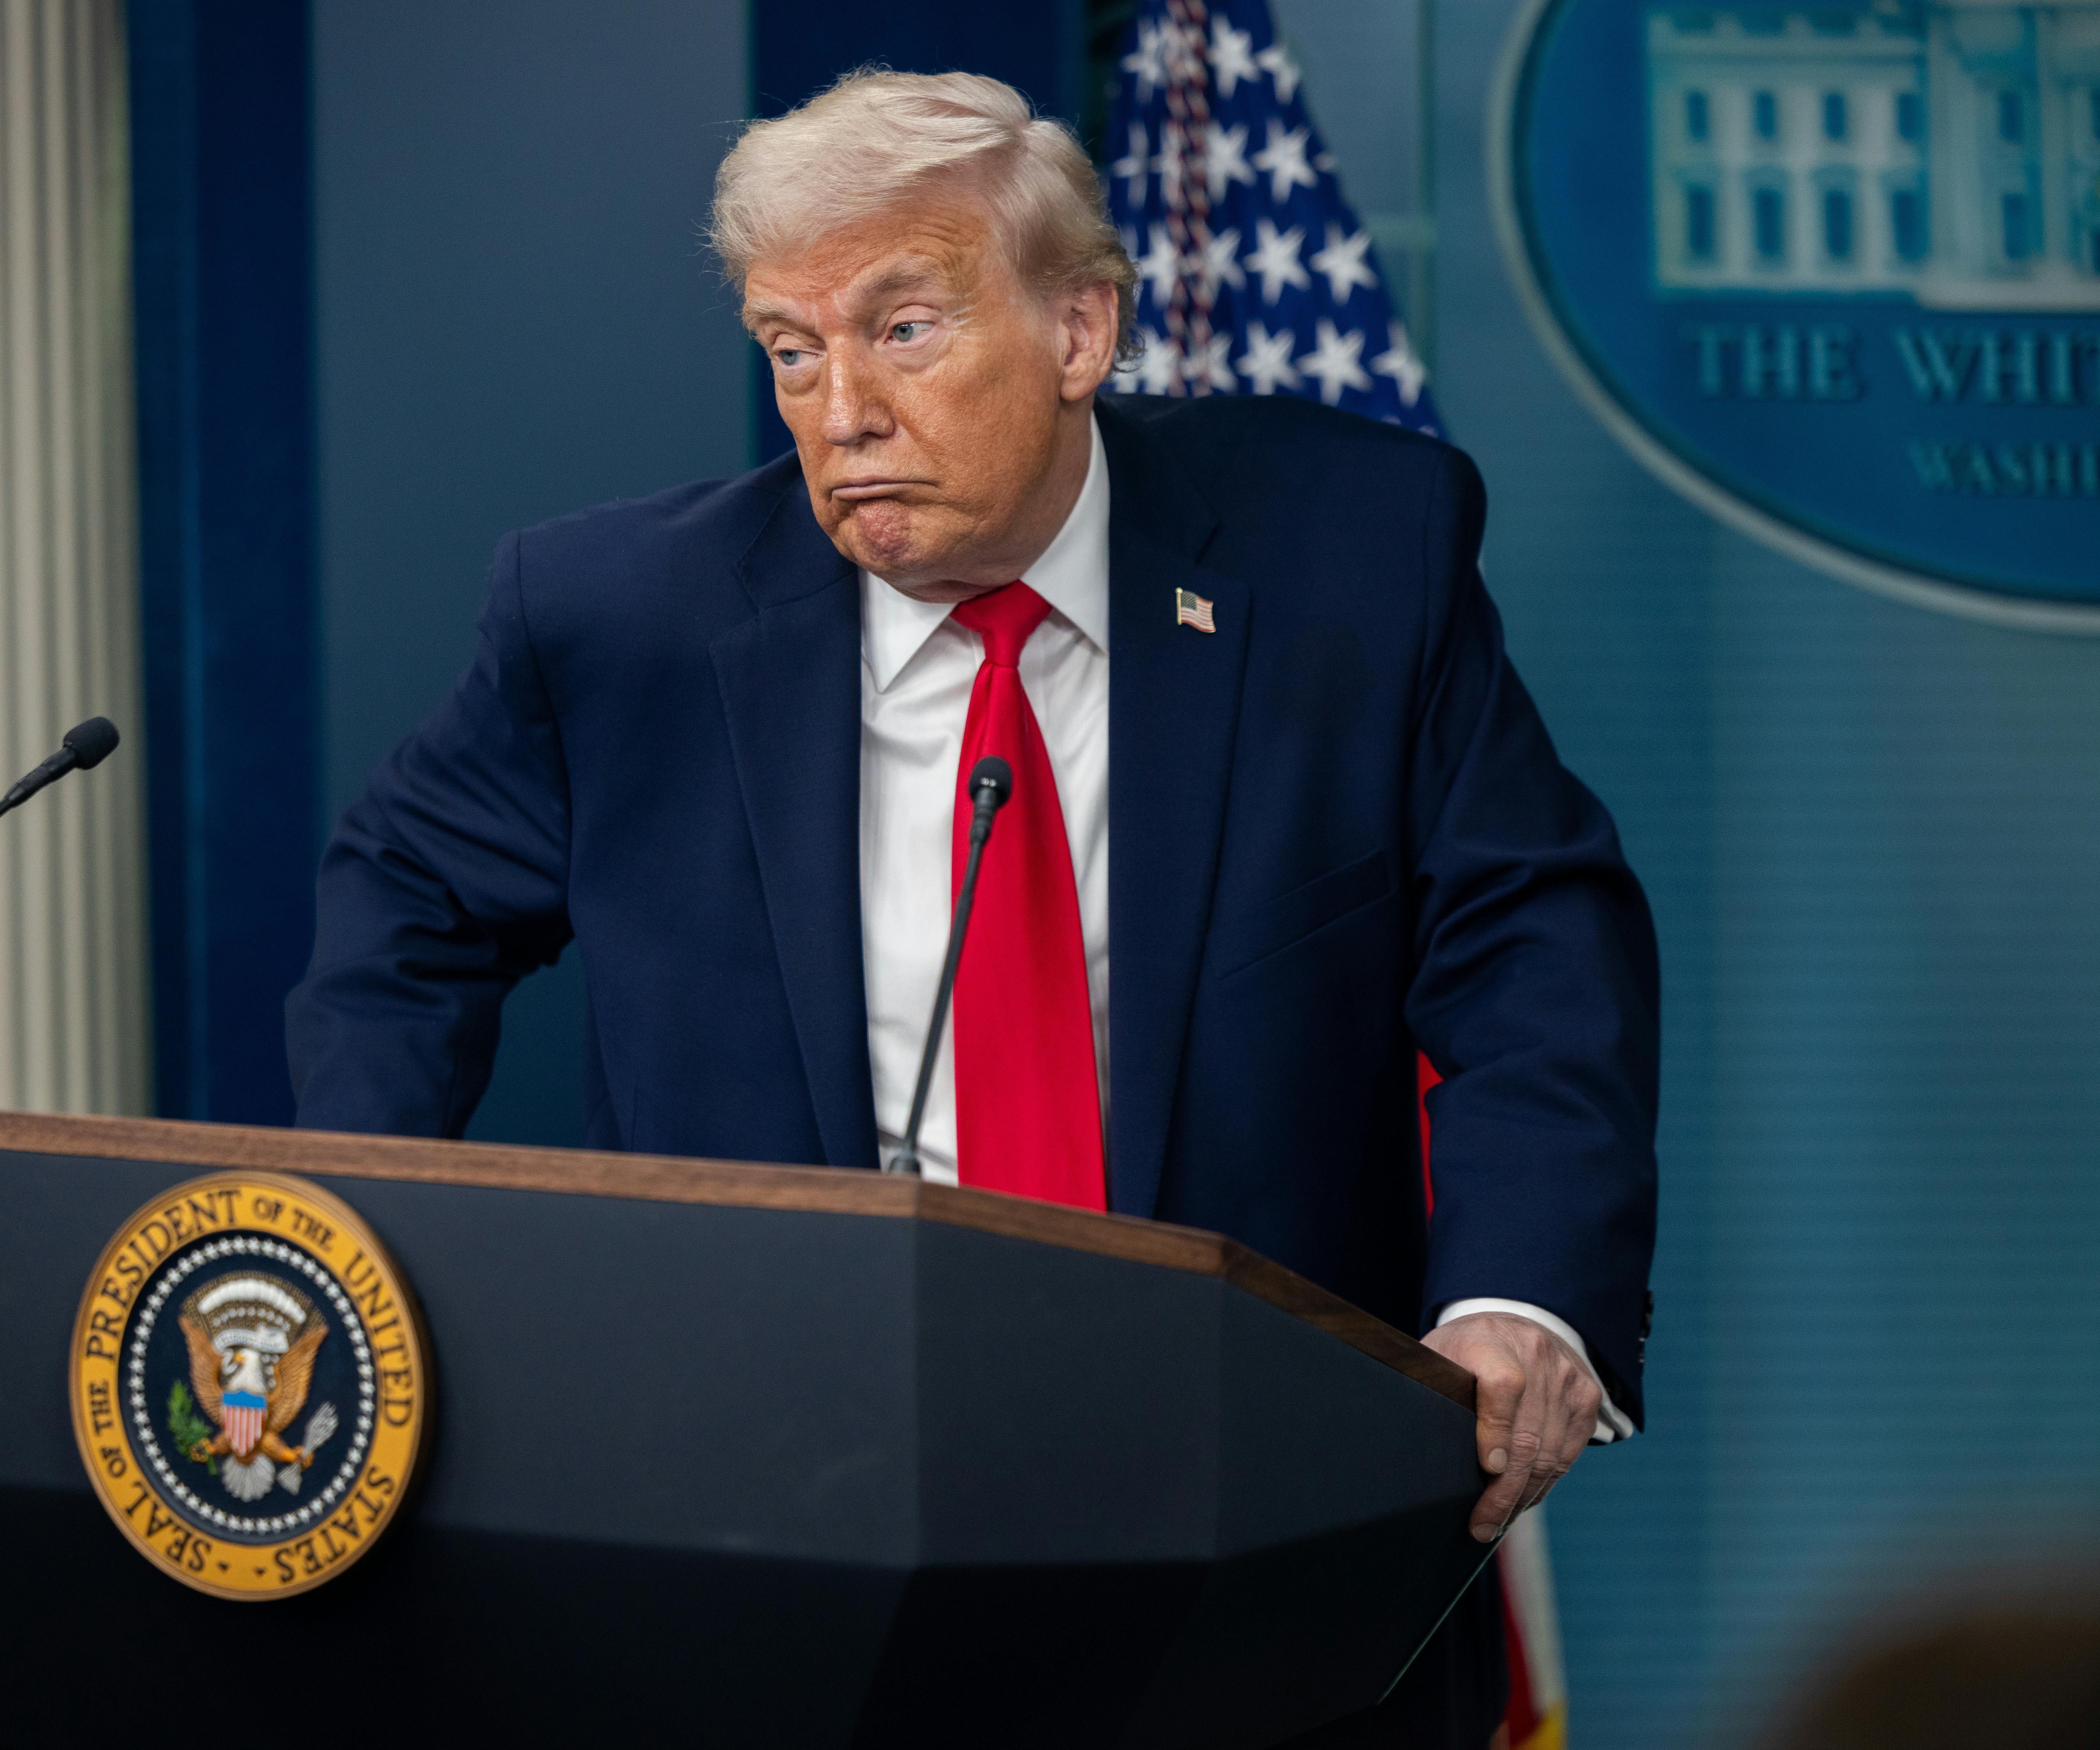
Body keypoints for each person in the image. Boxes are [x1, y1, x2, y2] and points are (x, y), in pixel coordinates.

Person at [287, 68, 1657, 1748]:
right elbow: (405, 897)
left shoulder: (1350, 553)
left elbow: (1533, 934)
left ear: (1079, 331)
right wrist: (365, 1247)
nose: (838, 408)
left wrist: (1521, 1290)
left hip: (1257, 1545)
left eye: (902, 329)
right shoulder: (613, 623)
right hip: (773, 1540)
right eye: (791, 349)